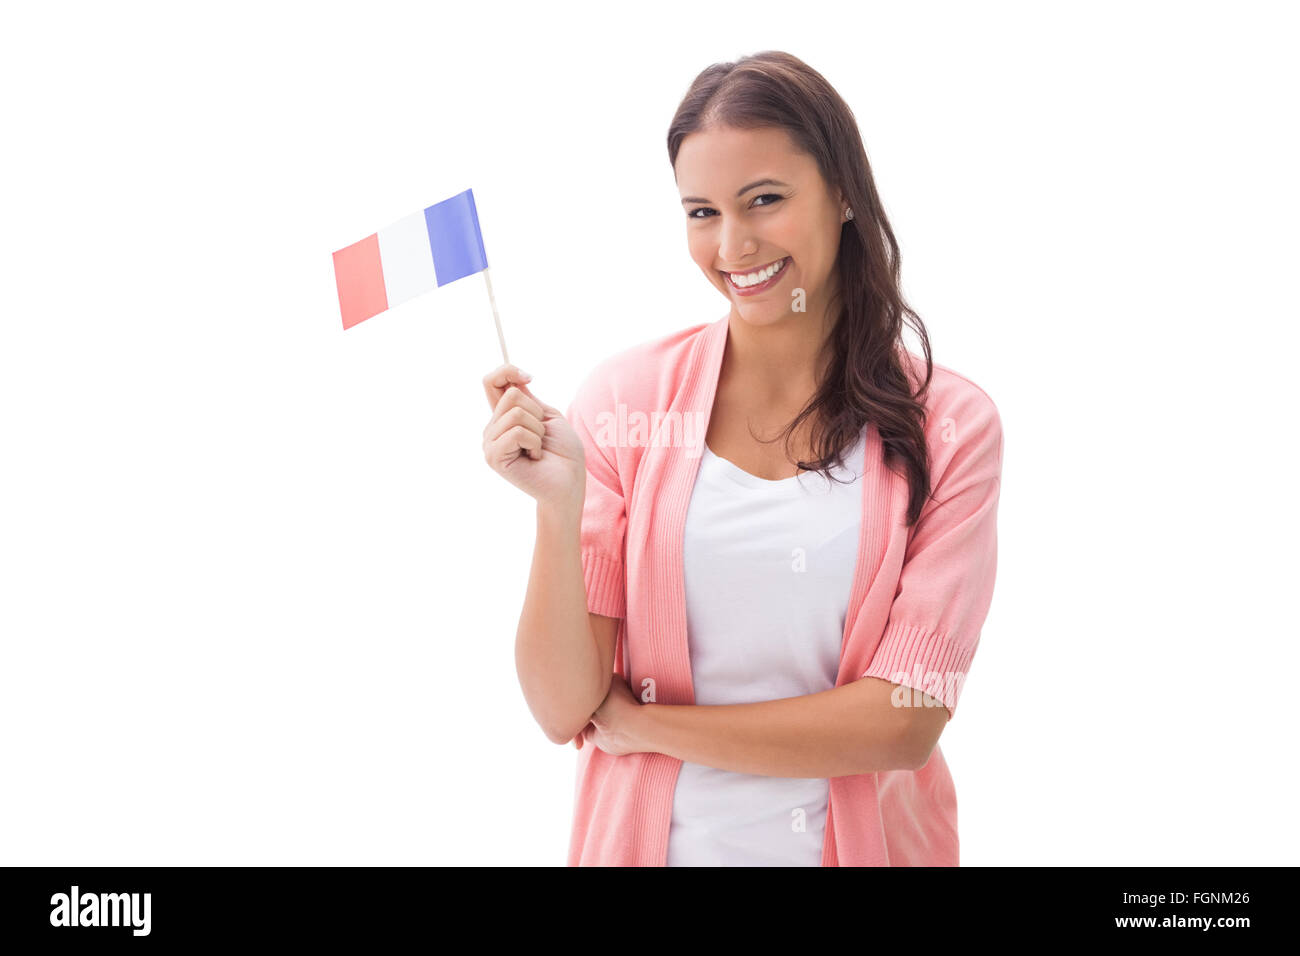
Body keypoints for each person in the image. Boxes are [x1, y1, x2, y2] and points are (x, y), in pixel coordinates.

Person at [482, 50, 1002, 866]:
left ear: (841, 195)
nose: (733, 245)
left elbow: (904, 720)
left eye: (765, 200)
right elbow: (561, 707)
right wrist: (558, 505)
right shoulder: (626, 401)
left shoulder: (952, 425)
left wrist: (648, 726)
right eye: (701, 211)